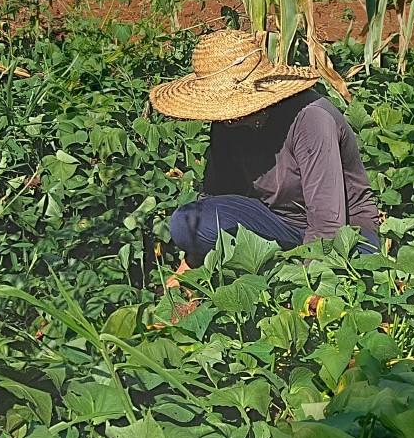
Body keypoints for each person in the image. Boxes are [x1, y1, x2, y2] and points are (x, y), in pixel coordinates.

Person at [149, 30, 381, 284]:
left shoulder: (311, 119)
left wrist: (309, 285)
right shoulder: (227, 122)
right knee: (187, 223)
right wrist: (190, 265)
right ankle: (274, 261)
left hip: (344, 227)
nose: (228, 118)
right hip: (275, 220)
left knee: (359, 272)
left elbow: (328, 221)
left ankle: (285, 268)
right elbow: (218, 195)